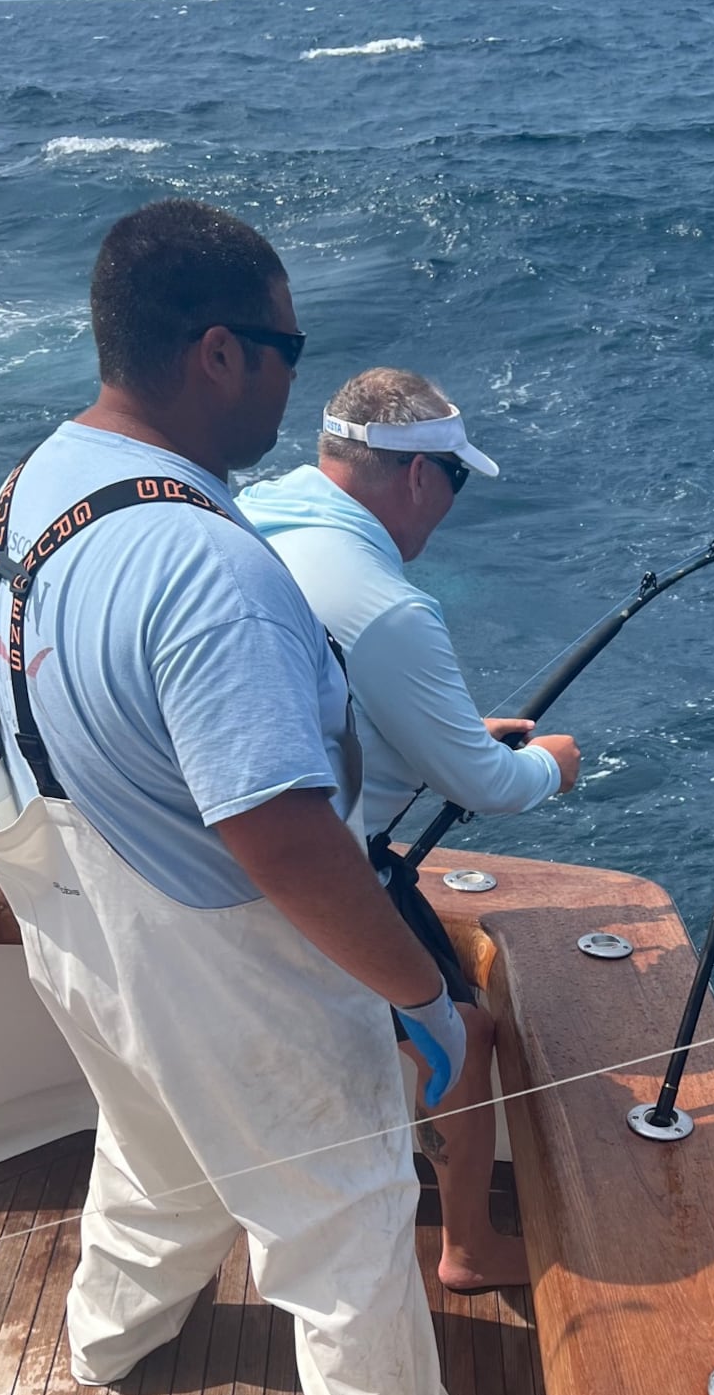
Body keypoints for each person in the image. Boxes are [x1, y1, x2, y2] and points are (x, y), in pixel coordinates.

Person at [0, 198, 524, 1395]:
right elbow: (276, 833)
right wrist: (415, 995)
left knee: (153, 1140)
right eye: (283, 346)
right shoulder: (213, 571)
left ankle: (115, 1334)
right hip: (213, 951)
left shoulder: (37, 477)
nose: (291, 374)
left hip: (66, 898)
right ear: (218, 352)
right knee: (337, 1222)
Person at [239, 368, 582, 1294]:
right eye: (456, 481)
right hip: (315, 882)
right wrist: (552, 759)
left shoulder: (254, 513)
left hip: (226, 852)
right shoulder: (391, 608)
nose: (449, 506)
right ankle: (466, 1248)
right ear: (422, 478)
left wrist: (463, 734)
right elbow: (487, 784)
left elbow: (339, 699)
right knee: (464, 1038)